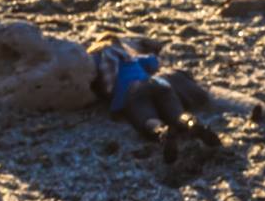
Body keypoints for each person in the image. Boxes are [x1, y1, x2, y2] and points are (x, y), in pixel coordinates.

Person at [89, 35, 222, 164]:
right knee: (176, 113)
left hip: (133, 91)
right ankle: (192, 124)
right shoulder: (131, 58)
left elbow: (96, 80)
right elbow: (154, 62)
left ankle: (162, 131)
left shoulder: (98, 58)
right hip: (157, 83)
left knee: (146, 118)